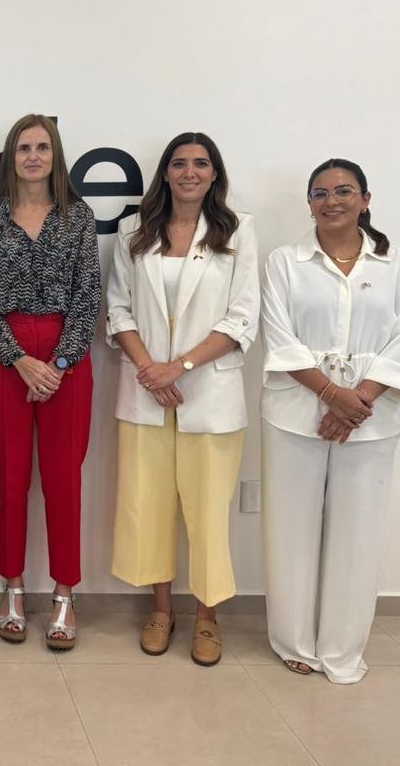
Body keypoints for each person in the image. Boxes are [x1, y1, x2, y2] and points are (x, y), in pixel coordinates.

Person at [260, 158, 400, 684]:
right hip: (293, 411)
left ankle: (342, 648)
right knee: (290, 529)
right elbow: (279, 337)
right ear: (308, 203)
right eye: (320, 193)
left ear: (365, 199)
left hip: (370, 418)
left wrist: (356, 402)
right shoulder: (285, 262)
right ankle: (293, 641)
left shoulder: (397, 265)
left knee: (358, 534)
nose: (332, 201)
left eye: (344, 191)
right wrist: (331, 395)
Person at [106, 132, 259, 666]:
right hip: (146, 392)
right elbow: (118, 309)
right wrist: (151, 371)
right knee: (148, 505)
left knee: (208, 512)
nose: (189, 172)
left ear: (214, 173)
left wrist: (181, 366)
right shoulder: (134, 230)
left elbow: (242, 317)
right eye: (179, 163)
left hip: (209, 393)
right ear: (165, 173)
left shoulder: (237, 230)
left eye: (200, 163)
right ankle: (162, 610)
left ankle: (208, 616)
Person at [0, 113, 98, 650]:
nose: (33, 156)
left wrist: (59, 364)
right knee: (9, 475)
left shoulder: (79, 217)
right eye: (24, 148)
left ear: (55, 155)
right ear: (11, 156)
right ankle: (14, 587)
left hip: (67, 357)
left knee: (64, 478)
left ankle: (65, 592)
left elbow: (88, 296)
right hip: (5, 357)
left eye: (43, 147)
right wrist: (20, 359)